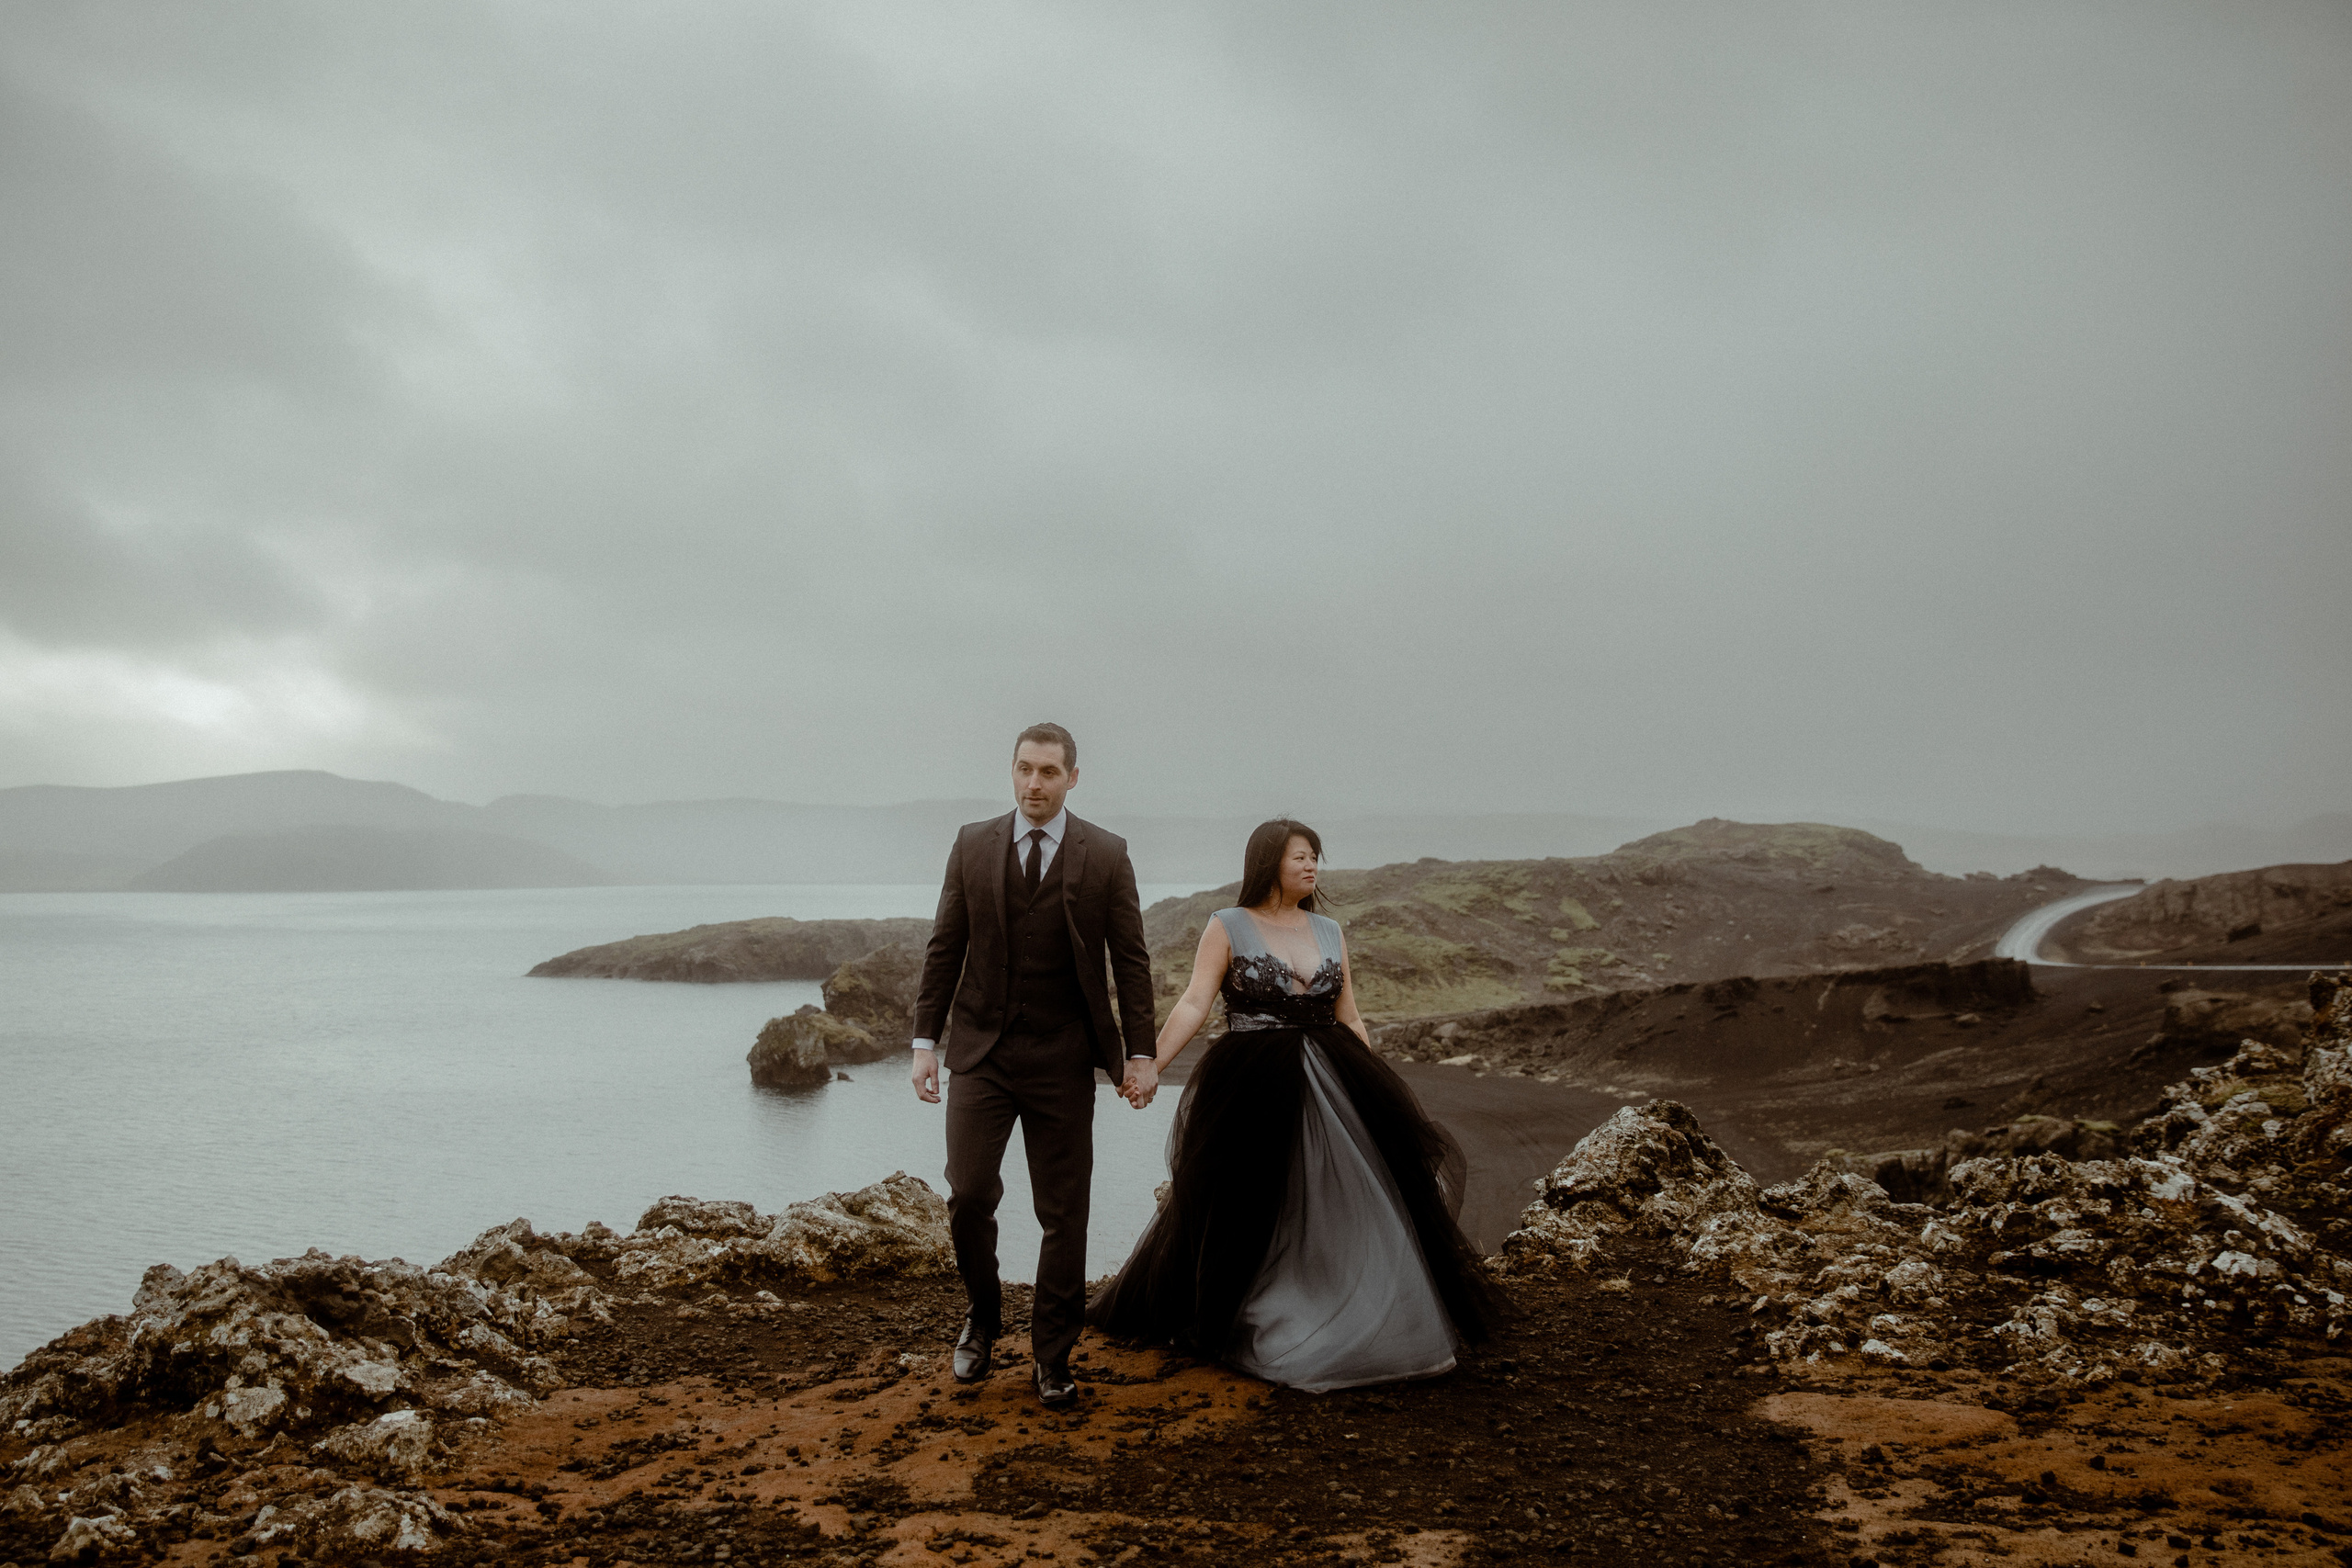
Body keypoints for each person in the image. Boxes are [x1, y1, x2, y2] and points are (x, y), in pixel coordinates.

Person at [1089, 819, 1497, 1391]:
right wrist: (1149, 1064)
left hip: (1335, 1075)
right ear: (1267, 863)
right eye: (1300, 857)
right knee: (1254, 1206)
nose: (1311, 867)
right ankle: (1259, 1314)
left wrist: (1372, 1087)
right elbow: (1194, 1002)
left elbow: (1349, 1016)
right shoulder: (1227, 925)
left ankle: (1362, 1313)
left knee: (1345, 1204)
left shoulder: (1329, 930)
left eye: (1315, 858)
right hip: (1252, 1084)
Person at [909, 722, 1156, 1409]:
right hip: (981, 1054)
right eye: (1024, 769)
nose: (1034, 783)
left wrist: (1139, 1054)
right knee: (968, 1194)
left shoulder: (1106, 854)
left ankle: (1052, 1354)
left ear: (1073, 777)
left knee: (1064, 1210)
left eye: (1049, 771)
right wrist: (925, 1042)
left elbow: (1129, 961)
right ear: (1011, 771)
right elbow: (944, 947)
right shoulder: (971, 843)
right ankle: (983, 1318)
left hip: (1064, 1058)